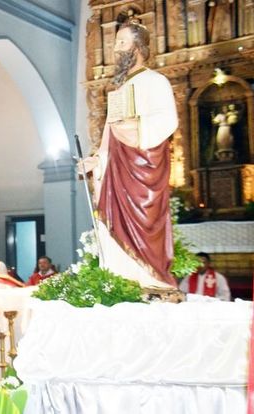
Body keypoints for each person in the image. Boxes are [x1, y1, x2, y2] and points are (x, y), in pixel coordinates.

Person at [81, 20, 178, 290]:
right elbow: (109, 138)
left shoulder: (156, 81)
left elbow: (168, 120)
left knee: (145, 225)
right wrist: (97, 161)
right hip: (118, 173)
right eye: (116, 43)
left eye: (121, 43)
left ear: (138, 47)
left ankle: (150, 280)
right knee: (114, 223)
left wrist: (136, 129)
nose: (115, 49)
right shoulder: (118, 91)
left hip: (143, 169)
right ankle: (121, 280)